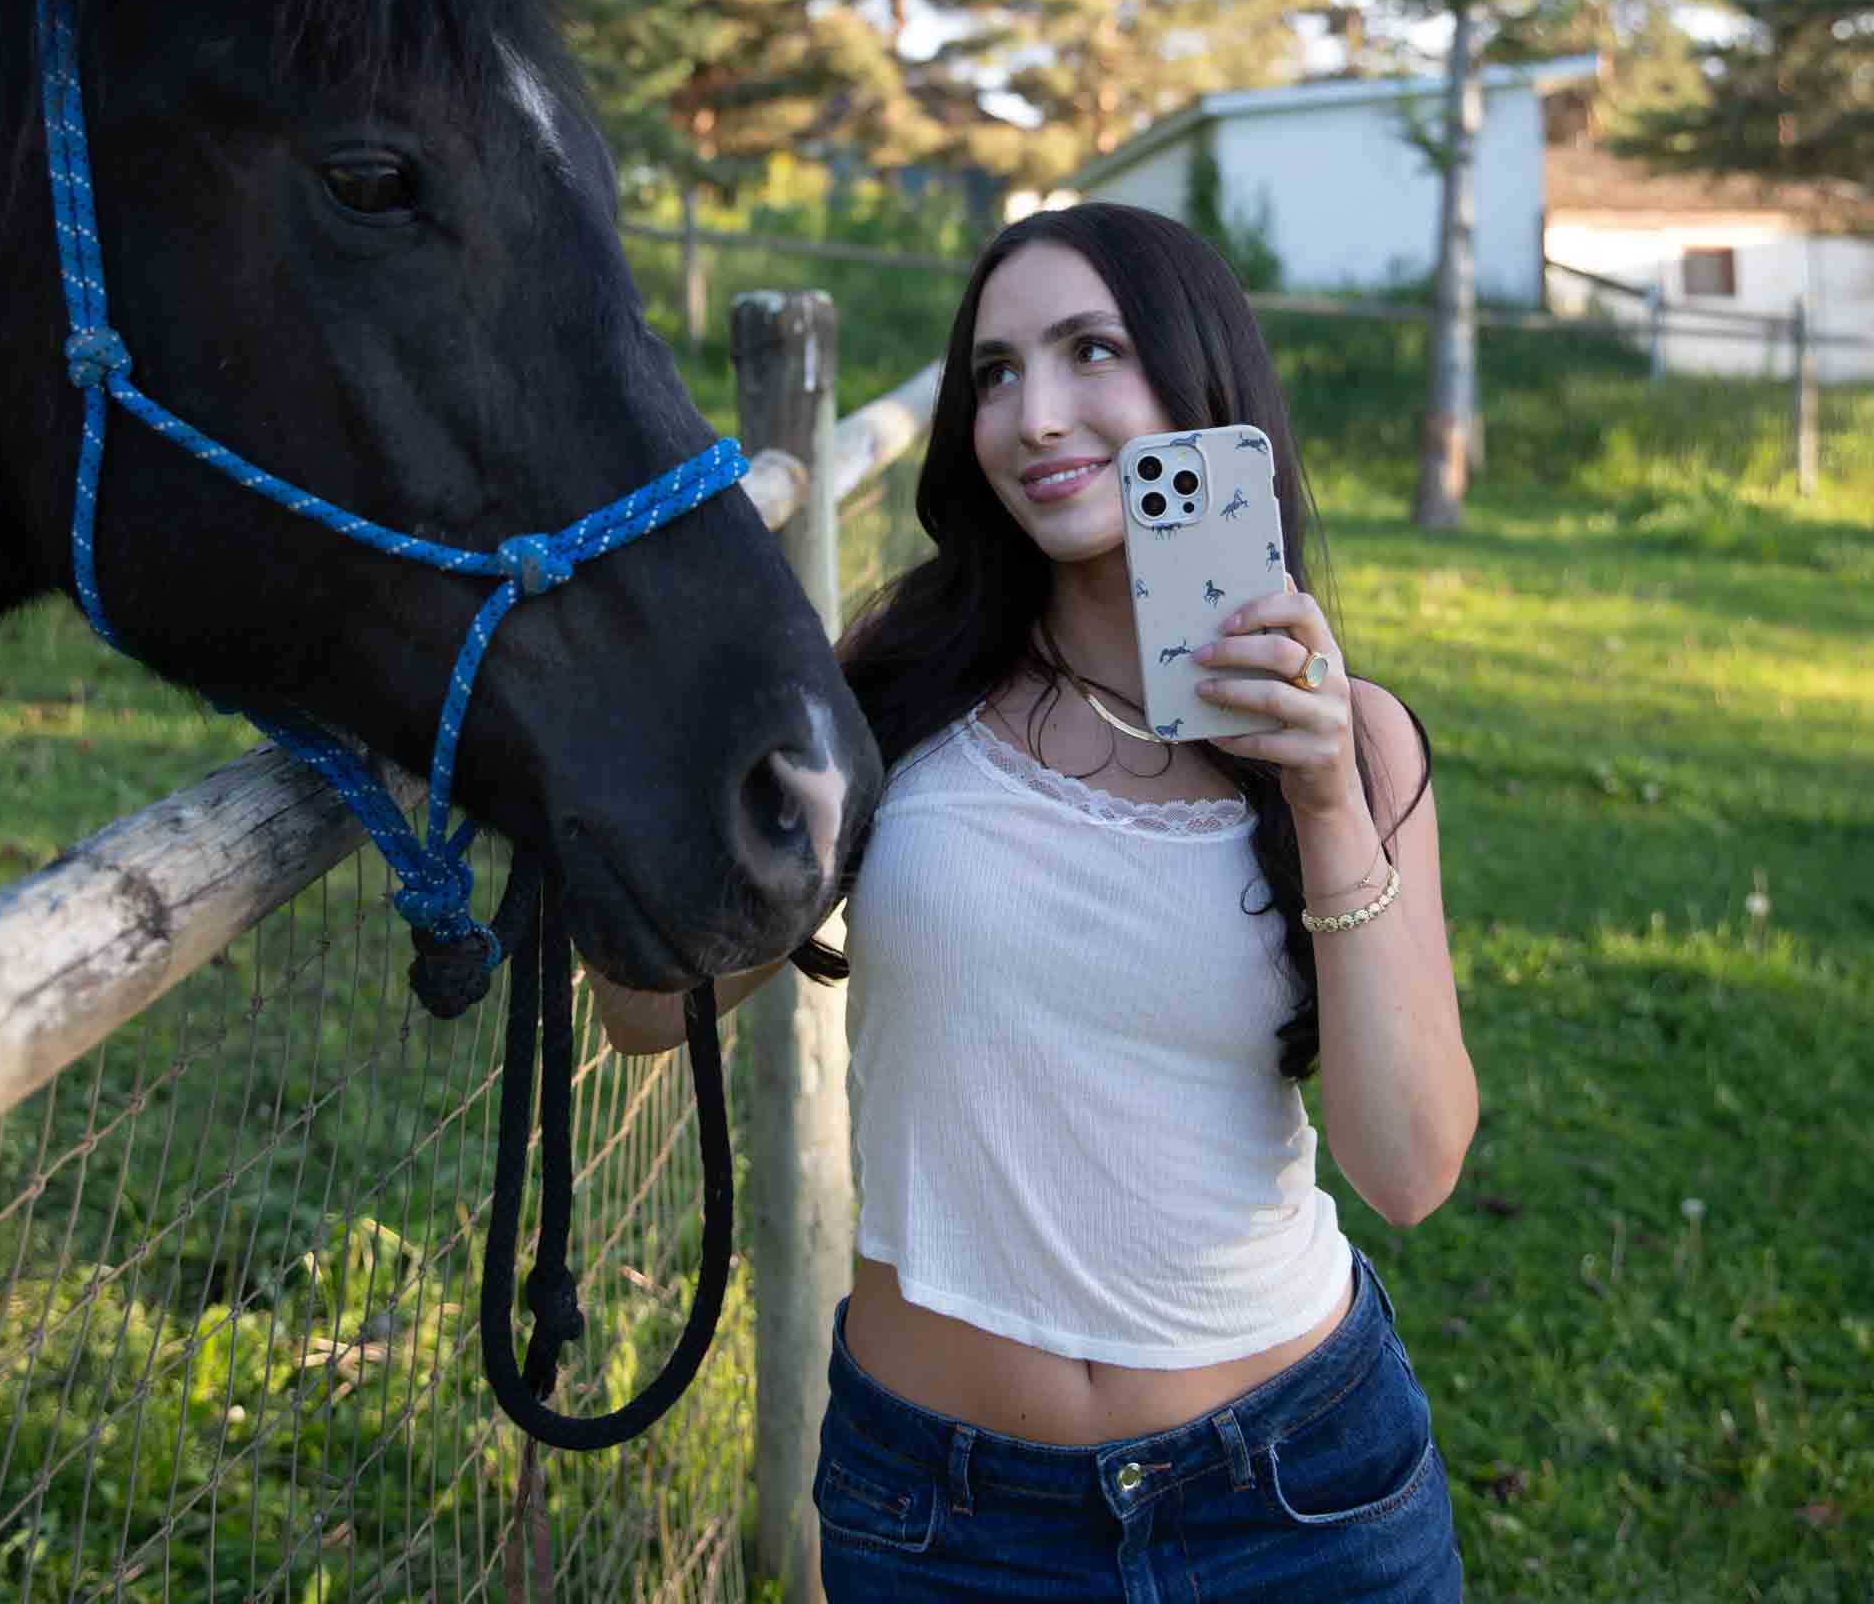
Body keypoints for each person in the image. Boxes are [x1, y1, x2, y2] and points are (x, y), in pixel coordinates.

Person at [591, 202, 1477, 1600]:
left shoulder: (1357, 741)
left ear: (1201, 390)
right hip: (949, 1524)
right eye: (995, 372)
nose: (1035, 416)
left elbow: (1411, 1169)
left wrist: (1324, 806)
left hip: (1298, 1501)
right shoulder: (905, 678)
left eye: (1089, 352)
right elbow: (649, 1010)